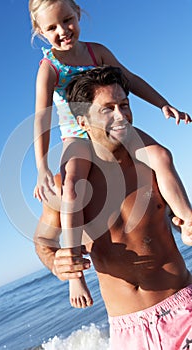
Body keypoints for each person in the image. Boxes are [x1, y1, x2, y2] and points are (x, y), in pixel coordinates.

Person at [29, 0, 191, 308]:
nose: (63, 31)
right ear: (40, 32)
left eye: (67, 20)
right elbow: (41, 116)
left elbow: (129, 79)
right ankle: (76, 273)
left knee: (161, 155)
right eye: (52, 27)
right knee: (73, 187)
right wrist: (41, 166)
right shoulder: (49, 68)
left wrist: (163, 104)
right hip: (76, 135)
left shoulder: (96, 52)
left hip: (114, 126)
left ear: (78, 14)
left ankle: (187, 220)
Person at [34, 66, 192, 349]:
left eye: (125, 106)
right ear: (82, 120)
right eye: (108, 109)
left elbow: (183, 219)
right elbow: (44, 241)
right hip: (127, 333)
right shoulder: (66, 185)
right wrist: (58, 265)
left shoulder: (151, 166)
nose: (121, 117)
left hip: (183, 311)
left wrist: (187, 223)